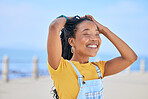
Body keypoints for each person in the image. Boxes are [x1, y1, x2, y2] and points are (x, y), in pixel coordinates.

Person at [47, 15, 137, 99]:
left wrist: (105, 30)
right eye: (86, 34)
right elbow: (54, 27)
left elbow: (131, 58)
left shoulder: (99, 69)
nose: (94, 38)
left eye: (97, 34)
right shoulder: (61, 68)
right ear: (71, 41)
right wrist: (68, 19)